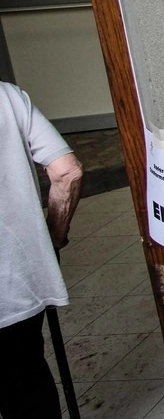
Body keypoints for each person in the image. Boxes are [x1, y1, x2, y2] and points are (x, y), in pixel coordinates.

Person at [0, 82, 82, 419]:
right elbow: (67, 171)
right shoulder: (6, 96)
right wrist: (54, 236)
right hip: (14, 278)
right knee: (26, 378)